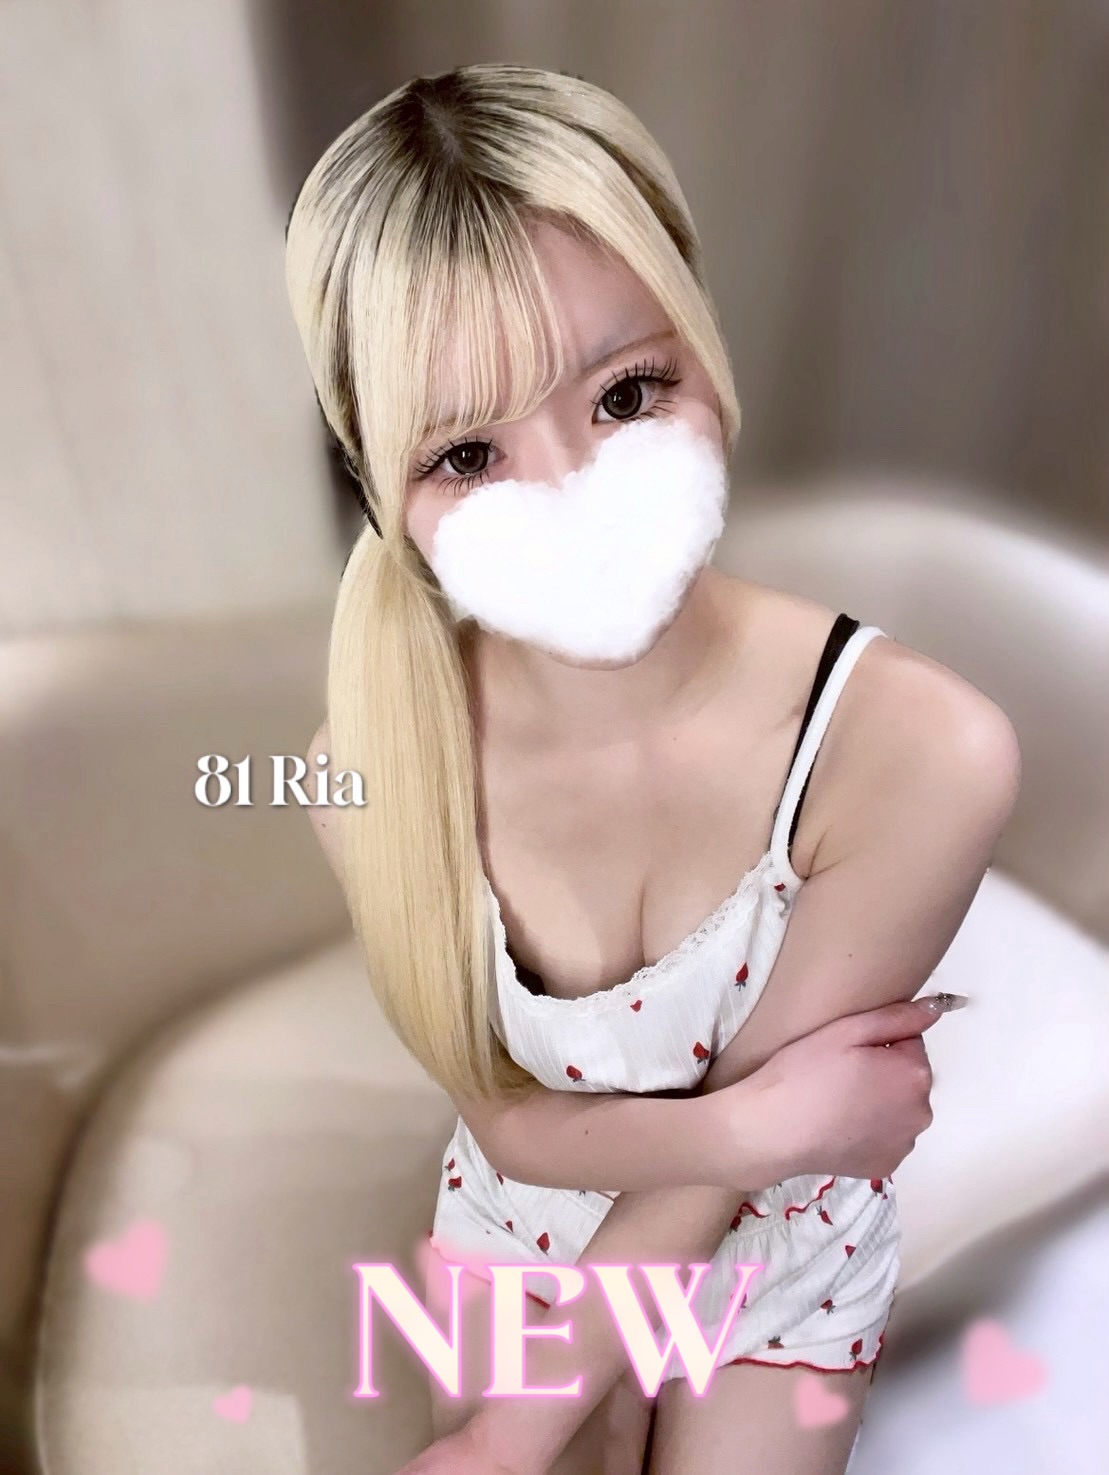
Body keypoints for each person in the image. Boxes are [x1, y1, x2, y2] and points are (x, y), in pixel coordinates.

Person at [284, 63, 1020, 1475]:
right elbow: (510, 1124)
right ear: (379, 490)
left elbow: (718, 1195)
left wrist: (509, 1440)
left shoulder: (921, 750)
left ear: (703, 344)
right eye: (467, 454)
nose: (570, 495)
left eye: (626, 392)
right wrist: (759, 1121)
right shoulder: (365, 770)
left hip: (777, 1255)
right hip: (525, 1229)